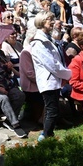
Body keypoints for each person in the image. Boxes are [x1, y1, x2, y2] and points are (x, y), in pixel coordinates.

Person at [30, 11, 72, 141]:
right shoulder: (39, 42)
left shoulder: (47, 39)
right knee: (52, 110)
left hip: (53, 79)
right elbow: (52, 64)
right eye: (50, 20)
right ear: (42, 22)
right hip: (48, 80)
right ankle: (45, 136)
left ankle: (49, 135)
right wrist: (68, 74)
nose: (53, 22)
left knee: (51, 110)